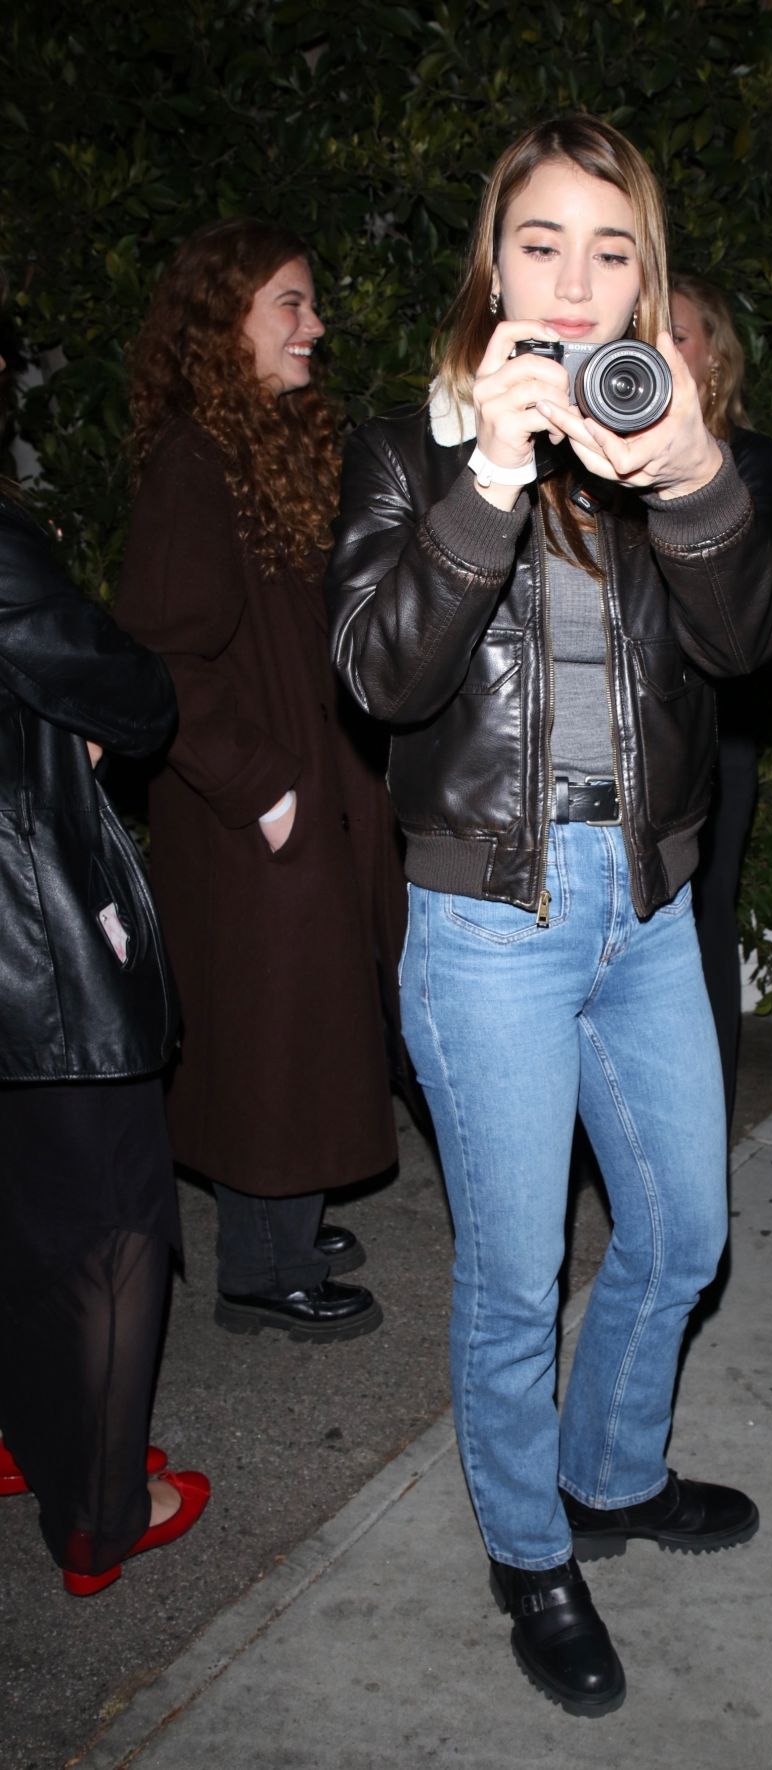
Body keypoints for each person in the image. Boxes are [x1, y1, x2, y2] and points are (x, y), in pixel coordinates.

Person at [327, 116, 772, 1716]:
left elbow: (743, 653)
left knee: (680, 1231)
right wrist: (491, 477)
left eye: (613, 249)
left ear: (645, 275)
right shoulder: (408, 448)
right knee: (517, 1275)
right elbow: (381, 676)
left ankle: (609, 1469)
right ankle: (532, 1548)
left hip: (645, 904)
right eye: (545, 242)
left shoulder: (654, 435)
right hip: (490, 925)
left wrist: (701, 477)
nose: (577, 280)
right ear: (494, 255)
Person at [118, 220, 404, 1340]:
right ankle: (259, 1267)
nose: (314, 325)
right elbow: (164, 655)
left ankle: (287, 1221)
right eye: (289, 302)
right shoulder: (197, 461)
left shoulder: (261, 447)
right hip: (252, 817)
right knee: (275, 1035)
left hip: (304, 795)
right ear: (221, 319)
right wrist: (265, 790)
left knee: (312, 1024)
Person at [0, 338, 209, 1595]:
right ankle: (101, 1518)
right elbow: (135, 695)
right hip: (28, 942)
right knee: (113, 1219)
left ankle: (36, 1439)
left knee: (21, 1207)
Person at [670, 272, 772, 1122]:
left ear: (714, 356)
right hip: (630, 729)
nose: (662, 344)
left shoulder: (748, 460)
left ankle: (703, 1117)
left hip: (719, 729)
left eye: (681, 334)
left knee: (702, 918)